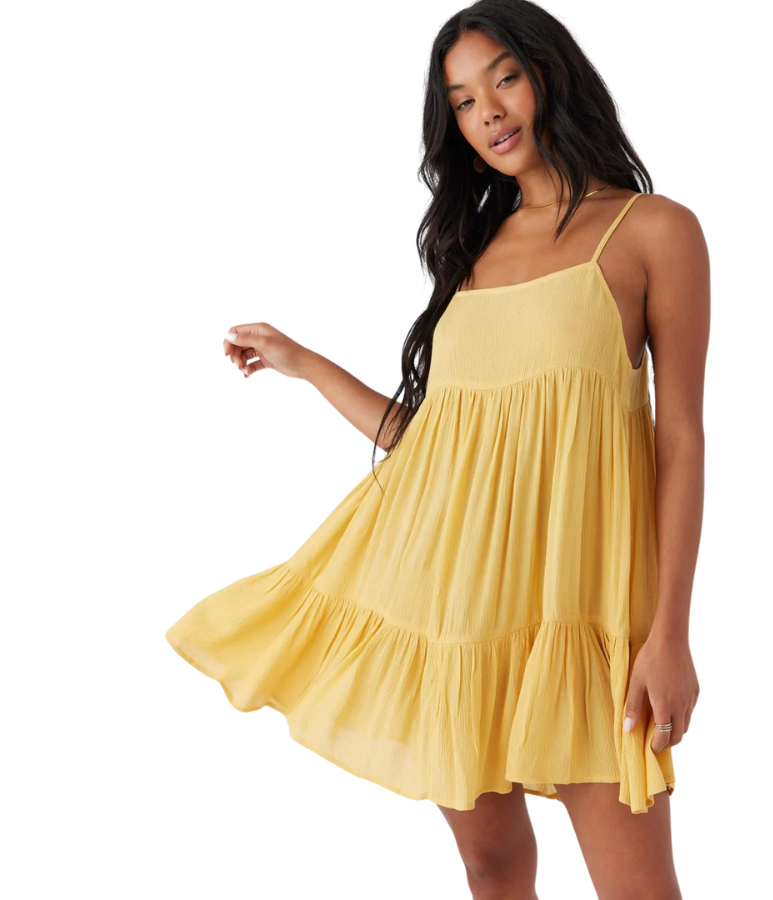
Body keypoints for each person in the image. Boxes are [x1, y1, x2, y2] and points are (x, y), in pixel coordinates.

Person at [165, 1, 709, 897]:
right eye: (461, 102)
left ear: (550, 74)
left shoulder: (653, 230)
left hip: (587, 617)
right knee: (491, 865)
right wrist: (307, 364)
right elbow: (441, 449)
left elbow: (680, 435)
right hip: (463, 612)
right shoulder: (475, 252)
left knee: (639, 888)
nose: (488, 112)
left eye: (504, 79)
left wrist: (670, 636)